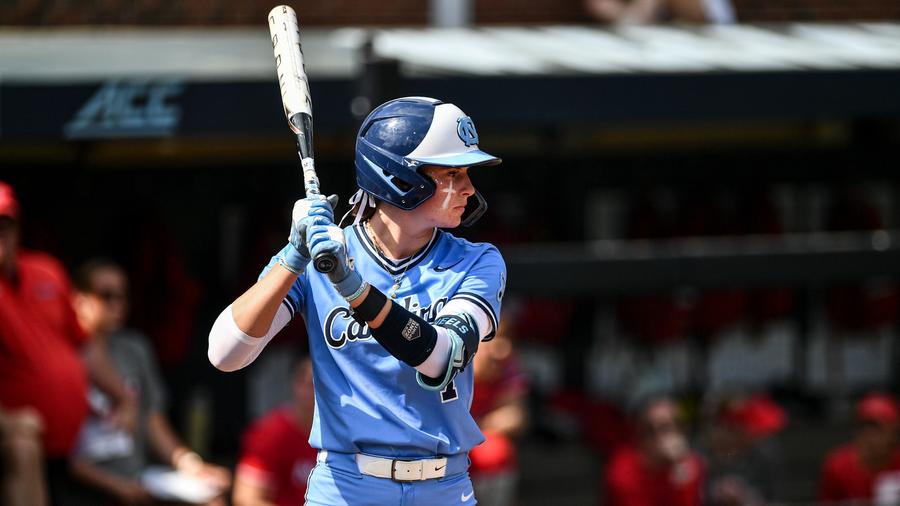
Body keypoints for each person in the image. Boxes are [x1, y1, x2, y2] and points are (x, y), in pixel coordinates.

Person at [209, 96, 506, 505]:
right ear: (400, 178)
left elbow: (439, 356)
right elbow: (225, 354)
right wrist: (293, 257)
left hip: (444, 485)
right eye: (453, 172)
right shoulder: (321, 254)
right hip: (346, 485)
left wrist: (352, 287)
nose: (469, 187)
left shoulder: (477, 261)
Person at [0, 181, 136, 506]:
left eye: (5, 224)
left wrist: (124, 397)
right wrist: (8, 421)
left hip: (66, 449)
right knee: (23, 445)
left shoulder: (46, 271)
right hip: (25, 443)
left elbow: (84, 347)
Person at [70, 258, 230, 505]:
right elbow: (66, 455)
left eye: (123, 295)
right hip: (88, 486)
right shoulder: (64, 354)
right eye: (106, 295)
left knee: (212, 495)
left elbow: (153, 421)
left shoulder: (135, 348)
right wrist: (118, 487)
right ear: (78, 298)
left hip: (139, 476)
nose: (117, 304)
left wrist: (191, 464)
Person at [233, 356, 317, 506]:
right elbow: (245, 498)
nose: (308, 389)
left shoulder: (346, 433)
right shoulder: (270, 432)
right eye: (302, 380)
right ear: (292, 383)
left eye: (316, 383)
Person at [469, 318, 529, 506]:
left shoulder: (509, 366)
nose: (503, 349)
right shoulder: (448, 364)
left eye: (508, 339)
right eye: (492, 339)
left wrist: (474, 427)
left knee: (495, 452)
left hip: (484, 449)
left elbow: (516, 417)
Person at [604, 397, 705, 506]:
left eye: (673, 425)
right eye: (651, 429)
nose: (662, 437)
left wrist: (678, 469)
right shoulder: (623, 468)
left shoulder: (691, 465)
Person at [819, 393, 900, 505]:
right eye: (864, 427)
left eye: (878, 429)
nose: (871, 436)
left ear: (893, 431)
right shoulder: (838, 466)